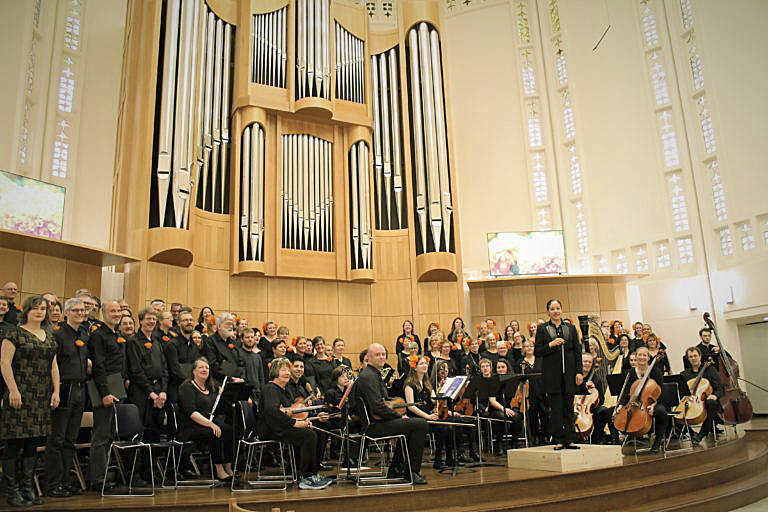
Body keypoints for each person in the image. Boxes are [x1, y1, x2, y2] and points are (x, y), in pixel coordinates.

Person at [0, 296, 59, 507]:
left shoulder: (49, 336)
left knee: (33, 445)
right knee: (14, 444)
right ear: (26, 311)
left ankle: (27, 488)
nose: (39, 311)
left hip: (41, 396)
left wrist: (56, 391)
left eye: (43, 308)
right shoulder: (13, 333)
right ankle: (12, 490)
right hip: (19, 394)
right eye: (35, 308)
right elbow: (4, 363)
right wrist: (13, 390)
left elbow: (54, 366)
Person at [353, 343, 429, 484]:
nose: (382, 357)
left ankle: (396, 470)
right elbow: (377, 407)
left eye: (383, 354)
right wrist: (399, 416)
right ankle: (412, 472)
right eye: (377, 354)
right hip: (373, 426)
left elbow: (383, 402)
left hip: (378, 422)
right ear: (368, 358)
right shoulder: (368, 377)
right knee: (420, 424)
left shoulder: (373, 375)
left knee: (411, 426)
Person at [257, 357, 332, 490]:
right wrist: (295, 423)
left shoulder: (284, 390)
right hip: (271, 429)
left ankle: (312, 472)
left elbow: (292, 412)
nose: (287, 373)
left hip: (282, 426)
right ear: (275, 372)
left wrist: (313, 418)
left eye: (288, 370)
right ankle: (306, 476)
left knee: (318, 430)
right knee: (308, 435)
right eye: (283, 370)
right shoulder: (270, 389)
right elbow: (272, 413)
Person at [45, 298, 89, 498]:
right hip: (63, 388)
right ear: (67, 313)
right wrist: (55, 391)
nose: (80, 313)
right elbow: (52, 365)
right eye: (76, 310)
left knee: (71, 439)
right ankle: (52, 484)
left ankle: (65, 481)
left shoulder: (83, 333)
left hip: (80, 388)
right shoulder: (58, 334)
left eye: (82, 310)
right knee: (57, 439)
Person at [126, 307, 169, 484]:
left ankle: (149, 471)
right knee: (139, 433)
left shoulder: (157, 342)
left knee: (154, 433)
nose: (151, 322)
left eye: (154, 319)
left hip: (159, 392)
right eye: (148, 319)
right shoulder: (134, 342)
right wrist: (151, 393)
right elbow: (136, 371)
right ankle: (134, 474)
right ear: (141, 321)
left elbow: (164, 369)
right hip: (141, 393)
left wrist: (163, 391)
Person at [87, 300, 126, 491]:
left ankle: (102, 476)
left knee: (109, 435)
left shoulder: (116, 334)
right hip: (105, 389)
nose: (116, 314)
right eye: (112, 311)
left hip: (117, 387)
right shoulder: (98, 335)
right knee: (101, 436)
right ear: (103, 313)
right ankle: (96, 480)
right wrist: (105, 393)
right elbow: (99, 366)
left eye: (118, 311)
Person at [535, 299, 583, 451]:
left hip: (569, 374)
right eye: (552, 309)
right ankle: (558, 439)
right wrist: (551, 344)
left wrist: (579, 372)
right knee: (555, 409)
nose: (555, 311)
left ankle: (570, 439)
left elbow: (577, 352)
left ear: (561, 310)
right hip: (552, 375)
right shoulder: (543, 329)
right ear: (548, 312)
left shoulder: (570, 328)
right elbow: (537, 351)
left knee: (569, 408)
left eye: (558, 308)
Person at [177, 358, 235, 481]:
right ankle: (219, 470)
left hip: (206, 422)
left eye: (207, 368)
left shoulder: (211, 388)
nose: (204, 369)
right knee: (215, 432)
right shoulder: (186, 387)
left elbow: (214, 409)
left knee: (229, 430)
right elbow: (192, 413)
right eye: (201, 367)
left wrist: (221, 396)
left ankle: (228, 467)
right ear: (194, 371)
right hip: (190, 426)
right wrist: (210, 424)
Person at [616, 346, 667, 453]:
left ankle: (657, 442)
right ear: (636, 356)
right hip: (633, 403)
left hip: (652, 402)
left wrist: (653, 405)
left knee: (661, 411)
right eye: (640, 355)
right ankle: (619, 441)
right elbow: (626, 392)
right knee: (616, 413)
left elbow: (660, 391)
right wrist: (620, 404)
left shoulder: (655, 372)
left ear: (648, 357)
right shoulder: (630, 373)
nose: (642, 357)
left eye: (644, 355)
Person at [166, 308, 210, 405]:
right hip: (177, 391)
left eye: (191, 320)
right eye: (185, 320)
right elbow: (175, 370)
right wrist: (193, 383)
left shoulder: (194, 345)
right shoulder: (172, 344)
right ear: (179, 323)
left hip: (193, 390)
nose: (189, 322)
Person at [682, 346, 724, 444]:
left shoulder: (711, 370)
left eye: (695, 356)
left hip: (708, 403)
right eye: (691, 357)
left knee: (711, 403)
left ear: (700, 356)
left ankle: (702, 434)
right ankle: (692, 434)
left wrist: (715, 396)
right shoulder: (684, 374)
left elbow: (721, 389)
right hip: (692, 402)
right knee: (675, 413)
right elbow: (682, 391)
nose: (693, 358)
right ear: (688, 359)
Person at [576, 353, 619, 445]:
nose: (587, 364)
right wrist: (581, 387)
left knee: (604, 411)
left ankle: (596, 438)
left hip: (589, 409)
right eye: (585, 361)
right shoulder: (574, 377)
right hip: (575, 406)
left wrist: (595, 391)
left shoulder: (596, 379)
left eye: (589, 362)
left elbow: (602, 400)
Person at [488, 359, 523, 454]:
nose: (501, 369)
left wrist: (511, 408)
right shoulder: (492, 381)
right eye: (498, 367)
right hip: (497, 408)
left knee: (517, 416)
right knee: (501, 417)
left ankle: (514, 441)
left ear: (507, 368)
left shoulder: (513, 380)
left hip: (510, 407)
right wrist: (504, 409)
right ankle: (499, 443)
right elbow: (492, 401)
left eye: (503, 367)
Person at [517, 339, 547, 445]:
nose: (529, 348)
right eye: (526, 346)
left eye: (531, 346)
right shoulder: (520, 362)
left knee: (544, 414)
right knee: (532, 415)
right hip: (529, 393)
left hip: (542, 391)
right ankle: (534, 437)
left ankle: (544, 437)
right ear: (523, 349)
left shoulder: (540, 359)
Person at [207, 313, 245, 384]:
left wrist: (242, 378)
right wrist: (229, 379)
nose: (231, 327)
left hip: (236, 382)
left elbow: (241, 363)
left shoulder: (233, 342)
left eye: (232, 324)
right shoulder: (210, 341)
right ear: (219, 326)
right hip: (218, 383)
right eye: (228, 324)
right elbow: (213, 365)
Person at [237, 327, 265, 404]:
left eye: (252, 337)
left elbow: (261, 377)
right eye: (247, 337)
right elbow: (239, 377)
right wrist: (245, 395)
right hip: (245, 395)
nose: (250, 339)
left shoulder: (257, 356)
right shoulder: (237, 354)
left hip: (258, 393)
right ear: (242, 339)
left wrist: (262, 393)